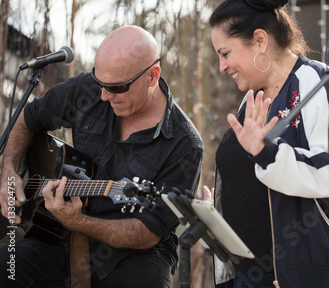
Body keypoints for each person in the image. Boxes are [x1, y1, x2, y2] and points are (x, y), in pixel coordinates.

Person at [208, 0, 329, 288]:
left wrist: (267, 152)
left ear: (259, 40)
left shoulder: (319, 83)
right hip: (247, 276)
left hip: (309, 276)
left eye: (226, 54)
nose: (222, 67)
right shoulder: (252, 99)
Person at [0, 25, 203, 287]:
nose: (104, 95)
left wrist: (80, 221)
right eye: (100, 82)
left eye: (117, 87)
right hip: (57, 231)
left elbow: (149, 231)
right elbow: (26, 119)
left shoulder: (184, 145)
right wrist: (9, 171)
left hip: (133, 253)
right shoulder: (89, 89)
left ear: (152, 76)